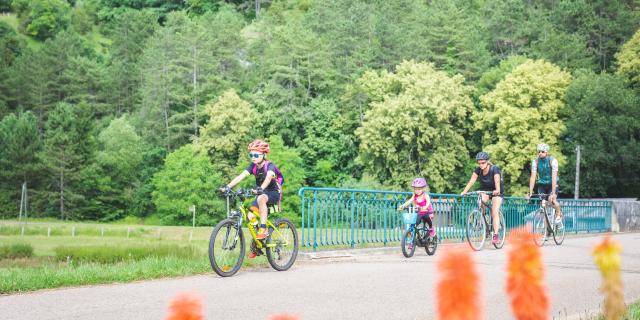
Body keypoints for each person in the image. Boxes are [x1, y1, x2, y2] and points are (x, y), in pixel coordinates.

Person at [220, 139, 282, 259]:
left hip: (273, 192)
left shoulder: (270, 166)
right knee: (250, 216)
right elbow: (240, 177)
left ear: (263, 155)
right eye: (251, 155)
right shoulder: (253, 166)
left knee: (261, 199)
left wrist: (261, 188)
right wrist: (227, 187)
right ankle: (258, 244)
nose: (253, 157)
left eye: (256, 155)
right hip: (261, 193)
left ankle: (263, 229)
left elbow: (269, 178)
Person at [460, 151, 504, 244]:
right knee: (481, 202)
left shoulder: (494, 169)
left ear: (487, 161)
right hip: (485, 191)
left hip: (496, 191)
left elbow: (497, 181)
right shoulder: (478, 170)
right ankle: (483, 218)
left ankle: (495, 235)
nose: (481, 165)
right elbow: (471, 181)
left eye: (483, 162)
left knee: (494, 212)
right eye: (479, 163)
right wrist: (464, 191)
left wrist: (497, 190)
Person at [526, 143, 563, 224]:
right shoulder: (535, 162)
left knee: (552, 200)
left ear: (546, 152)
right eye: (539, 151)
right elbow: (533, 177)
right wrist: (530, 192)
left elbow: (554, 177)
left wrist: (553, 193)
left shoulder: (552, 160)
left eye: (542, 151)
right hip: (542, 184)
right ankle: (547, 229)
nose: (540, 153)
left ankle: (559, 212)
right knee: (543, 204)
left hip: (552, 183)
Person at [398, 178, 436, 249]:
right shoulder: (415, 195)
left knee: (428, 220)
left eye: (419, 189)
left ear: (423, 188)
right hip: (419, 212)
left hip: (427, 211)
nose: (417, 191)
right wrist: (403, 206)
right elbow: (409, 201)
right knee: (414, 224)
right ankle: (412, 241)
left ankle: (432, 231)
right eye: (415, 189)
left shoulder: (425, 195)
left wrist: (425, 207)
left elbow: (428, 202)